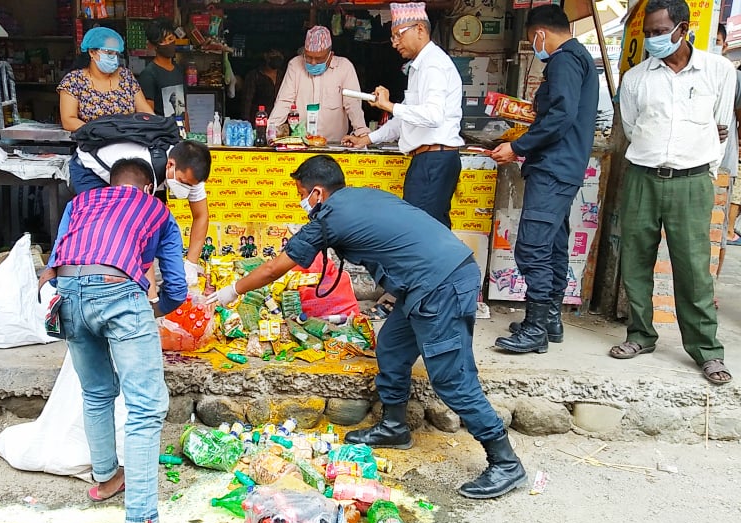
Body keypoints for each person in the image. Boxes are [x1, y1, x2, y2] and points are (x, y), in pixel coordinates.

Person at [208, 155, 526, 499]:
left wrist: (228, 292)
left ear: (317, 193)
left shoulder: (329, 218)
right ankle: (394, 427)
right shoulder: (366, 196)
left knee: (451, 377)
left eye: (301, 193)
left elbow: (273, 269)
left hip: (440, 284)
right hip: (429, 281)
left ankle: (505, 461)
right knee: (391, 345)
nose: (302, 202)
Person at [39, 158, 185, 523]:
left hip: (67, 294)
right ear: (149, 188)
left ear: (111, 183)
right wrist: (154, 309)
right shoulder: (157, 210)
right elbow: (176, 285)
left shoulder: (80, 203)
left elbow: (56, 259)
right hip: (119, 291)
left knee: (97, 393)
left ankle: (106, 479)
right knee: (146, 407)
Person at [614, 0, 733, 384]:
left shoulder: (718, 70)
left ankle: (706, 350)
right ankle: (640, 335)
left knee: (694, 269)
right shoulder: (636, 79)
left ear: (683, 28)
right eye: (648, 33)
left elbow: (721, 123)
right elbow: (633, 128)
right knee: (635, 262)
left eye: (660, 31)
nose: (653, 39)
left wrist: (704, 169)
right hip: (643, 177)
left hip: (693, 181)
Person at [487, 5, 599, 354]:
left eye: (532, 39)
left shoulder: (565, 60)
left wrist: (518, 146)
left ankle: (536, 328)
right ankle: (549, 319)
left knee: (532, 247)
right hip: (562, 167)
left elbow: (561, 116)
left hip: (553, 168)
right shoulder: (579, 58)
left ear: (540, 34)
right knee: (551, 246)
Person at [342, 2, 464, 230]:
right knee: (428, 230)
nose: (395, 43)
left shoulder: (433, 65)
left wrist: (389, 106)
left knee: (421, 232)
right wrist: (367, 139)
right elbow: (404, 119)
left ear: (420, 29)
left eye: (398, 35)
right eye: (392, 37)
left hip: (434, 160)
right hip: (427, 160)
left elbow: (433, 116)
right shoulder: (420, 66)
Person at [71, 139, 213, 288]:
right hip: (89, 169)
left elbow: (201, 216)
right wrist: (151, 295)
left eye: (191, 185)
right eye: (183, 182)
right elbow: (139, 232)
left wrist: (191, 264)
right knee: (106, 229)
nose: (186, 188)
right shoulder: (144, 169)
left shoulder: (190, 174)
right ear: (170, 165)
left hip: (126, 170)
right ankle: (98, 280)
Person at [59, 27, 153, 192]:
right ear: (92, 53)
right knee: (96, 214)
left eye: (116, 54)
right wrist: (102, 133)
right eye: (109, 53)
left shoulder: (126, 77)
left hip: (128, 162)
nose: (114, 58)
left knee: (127, 213)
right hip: (92, 159)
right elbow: (68, 119)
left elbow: (146, 112)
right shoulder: (74, 81)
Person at [268, 26, 370, 143]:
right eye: (309, 57)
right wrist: (271, 131)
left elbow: (353, 104)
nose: (313, 62)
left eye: (319, 59)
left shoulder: (344, 67)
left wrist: (362, 132)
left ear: (330, 55)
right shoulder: (295, 65)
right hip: (302, 143)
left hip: (334, 144)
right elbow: (284, 101)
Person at [715, 23, 741, 249]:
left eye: (717, 41)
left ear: (725, 46)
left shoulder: (734, 77)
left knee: (718, 233)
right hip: (693, 164)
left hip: (724, 162)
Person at [138, 19, 184, 118]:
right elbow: (147, 115)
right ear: (154, 46)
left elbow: (183, 109)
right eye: (163, 41)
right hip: (161, 131)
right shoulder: (148, 75)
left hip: (179, 130)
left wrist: (186, 131)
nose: (168, 44)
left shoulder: (178, 70)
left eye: (170, 39)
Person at [242, 49, 285, 121]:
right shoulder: (254, 75)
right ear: (266, 56)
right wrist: (246, 121)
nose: (277, 56)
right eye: (274, 53)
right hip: (258, 119)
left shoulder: (284, 75)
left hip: (279, 119)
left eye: (280, 54)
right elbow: (247, 100)